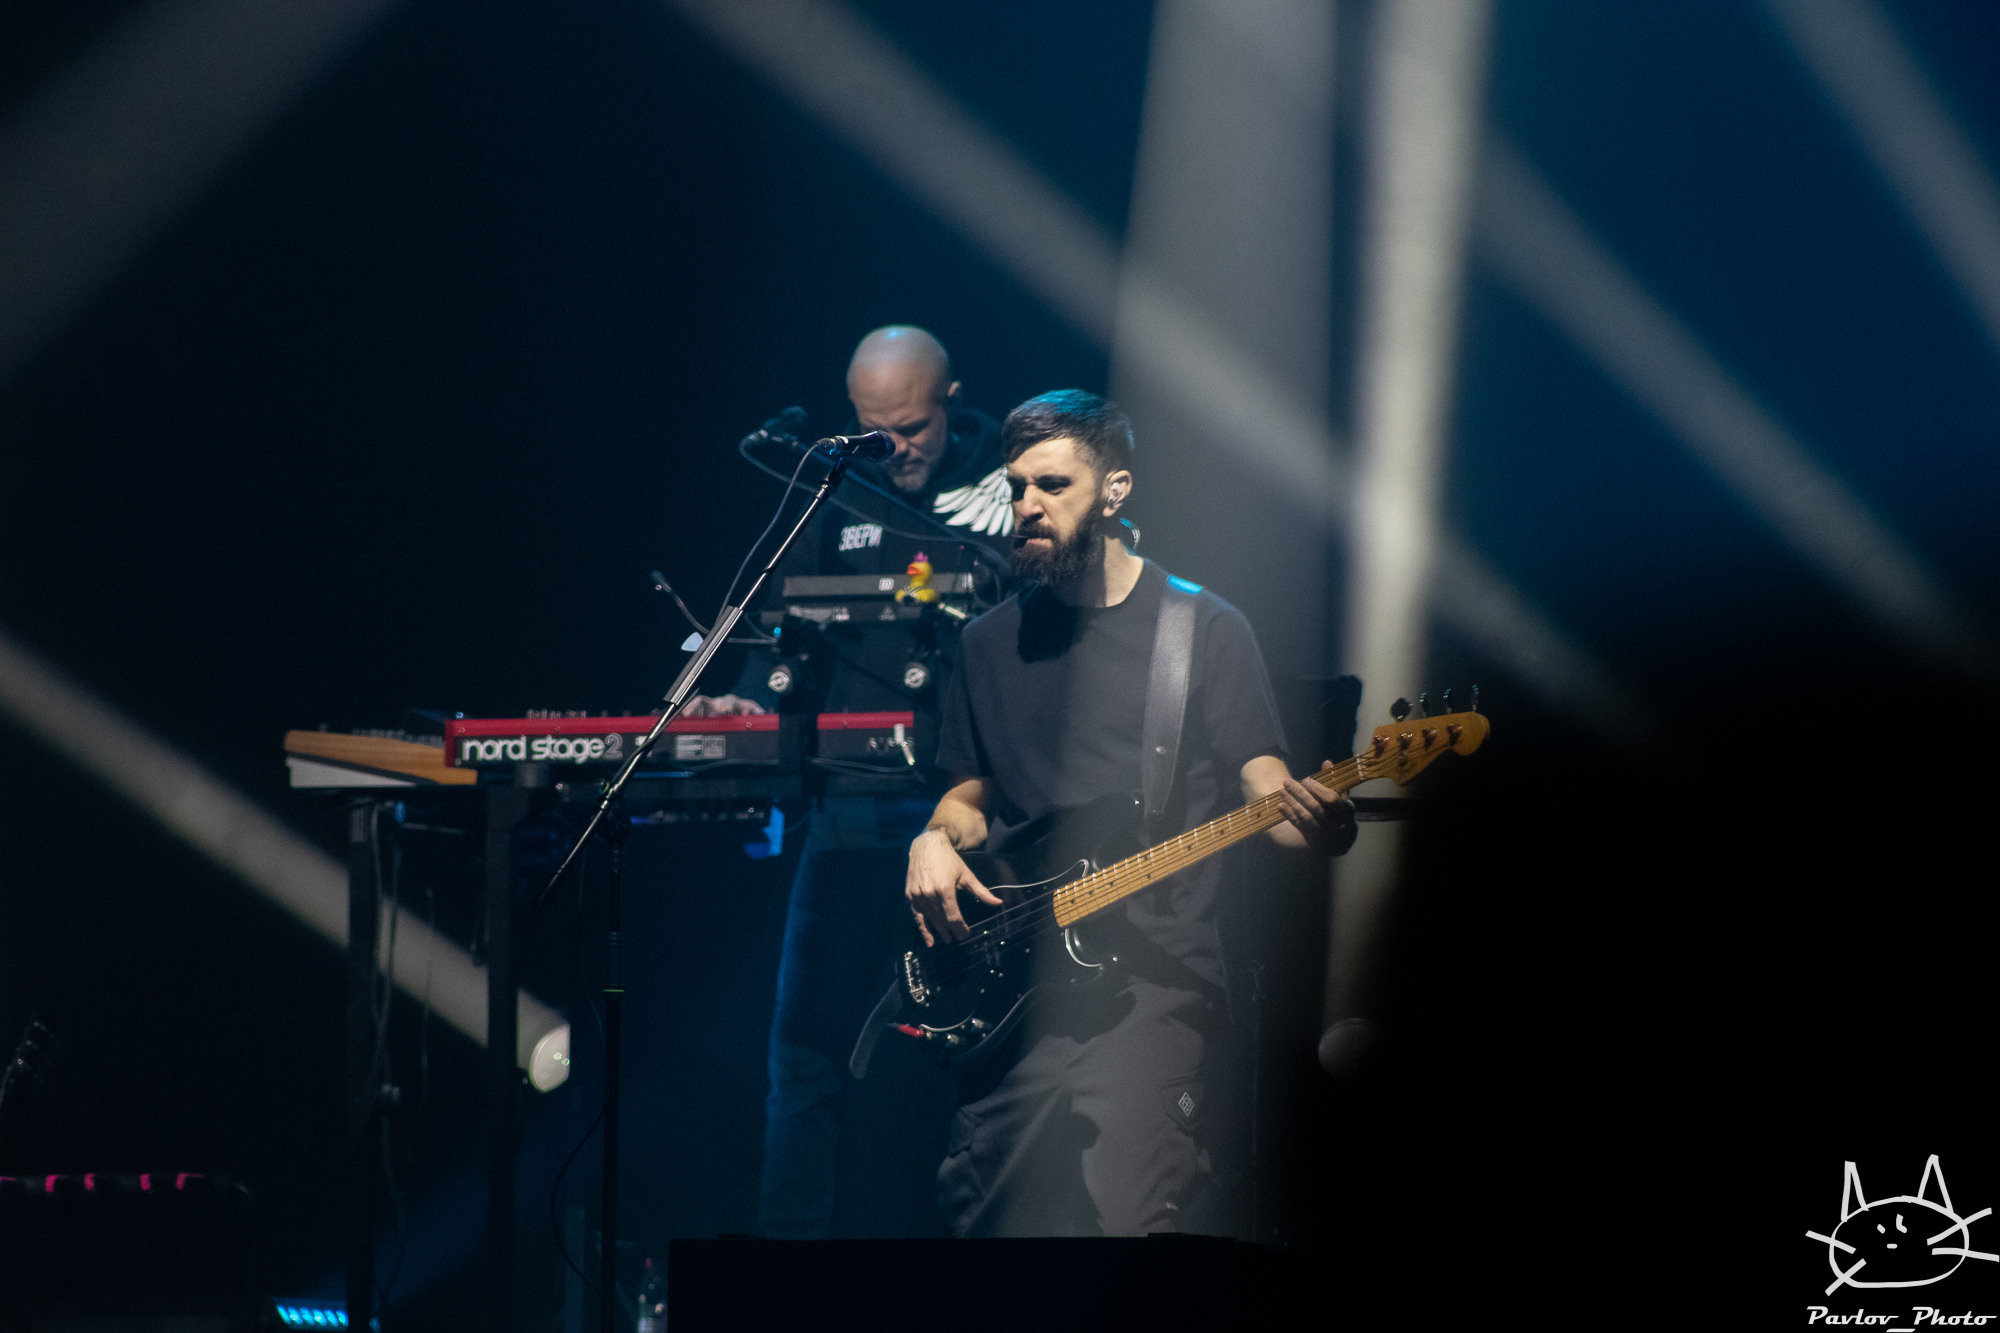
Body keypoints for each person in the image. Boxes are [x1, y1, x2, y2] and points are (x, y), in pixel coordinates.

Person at [905, 389, 1355, 1237]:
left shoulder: (1204, 630)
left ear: (1114, 491)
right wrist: (932, 838)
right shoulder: (986, 643)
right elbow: (968, 794)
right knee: (981, 1233)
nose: (1027, 506)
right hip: (1017, 988)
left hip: (1154, 984)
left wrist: (1312, 822)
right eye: (1017, 487)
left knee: (1136, 1240)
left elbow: (1266, 784)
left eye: (1052, 484)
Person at [690, 326, 1013, 1238]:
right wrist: (749, 704)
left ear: (951, 398)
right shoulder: (831, 484)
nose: (895, 448)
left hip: (973, 815)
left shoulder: (1004, 480)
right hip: (851, 809)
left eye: (911, 427)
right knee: (804, 1053)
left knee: (966, 1055)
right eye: (874, 427)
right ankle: (788, 1277)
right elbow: (782, 626)